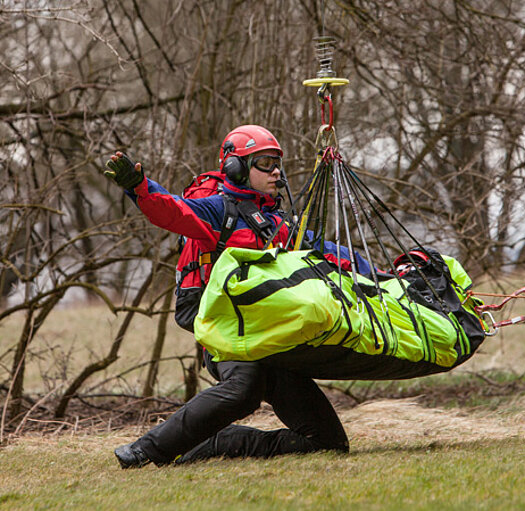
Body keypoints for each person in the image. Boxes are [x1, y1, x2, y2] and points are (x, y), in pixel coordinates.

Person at [102, 125, 349, 468]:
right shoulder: (218, 212)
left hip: (269, 340)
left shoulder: (278, 223)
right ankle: (146, 450)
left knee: (329, 443)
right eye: (264, 162)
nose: (275, 170)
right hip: (226, 333)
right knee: (245, 387)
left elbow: (329, 252)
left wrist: (392, 272)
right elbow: (175, 211)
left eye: (277, 162)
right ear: (236, 167)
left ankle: (219, 442)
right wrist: (139, 188)